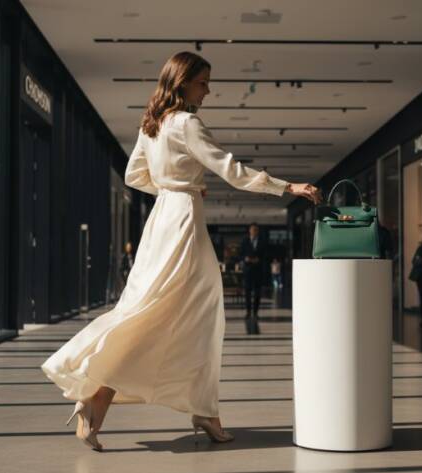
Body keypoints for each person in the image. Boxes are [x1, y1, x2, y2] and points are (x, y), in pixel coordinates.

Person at [40, 51, 322, 451]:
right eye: (203, 82)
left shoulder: (151, 124)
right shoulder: (188, 123)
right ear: (184, 81)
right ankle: (147, 402)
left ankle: (108, 399)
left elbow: (135, 175)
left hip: (161, 222)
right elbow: (231, 170)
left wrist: (174, 187)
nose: (208, 90)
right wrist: (286, 187)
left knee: (152, 309)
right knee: (196, 315)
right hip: (185, 224)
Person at [240, 223, 266, 334]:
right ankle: (248, 311)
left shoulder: (262, 241)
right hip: (248, 270)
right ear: (249, 231)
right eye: (253, 230)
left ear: (258, 231)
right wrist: (245, 259)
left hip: (258, 270)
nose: (254, 231)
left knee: (257, 293)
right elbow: (240, 254)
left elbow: (265, 254)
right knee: (247, 292)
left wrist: (259, 260)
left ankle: (255, 312)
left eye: (256, 230)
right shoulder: (245, 241)